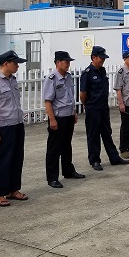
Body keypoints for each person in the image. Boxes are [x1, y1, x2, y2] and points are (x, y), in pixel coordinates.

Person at [0, 50, 29, 207]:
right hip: (4, 127)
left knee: (17, 158)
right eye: (15, 63)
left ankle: (13, 189)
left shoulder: (12, 80)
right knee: (3, 160)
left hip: (17, 124)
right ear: (6, 63)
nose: (18, 66)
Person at [79, 46, 129, 170]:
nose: (103, 60)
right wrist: (88, 104)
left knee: (107, 133)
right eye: (101, 58)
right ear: (93, 57)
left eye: (104, 58)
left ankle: (114, 157)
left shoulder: (102, 71)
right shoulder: (87, 73)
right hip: (93, 108)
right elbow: (82, 94)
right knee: (94, 135)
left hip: (103, 107)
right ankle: (95, 160)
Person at [42, 51, 85, 189]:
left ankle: (68, 171)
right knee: (54, 148)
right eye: (65, 62)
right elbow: (48, 101)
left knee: (67, 145)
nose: (68, 64)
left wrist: (74, 112)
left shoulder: (68, 77)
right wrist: (52, 119)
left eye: (69, 62)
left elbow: (70, 97)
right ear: (58, 62)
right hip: (58, 117)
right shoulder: (51, 79)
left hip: (68, 115)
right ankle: (52, 178)